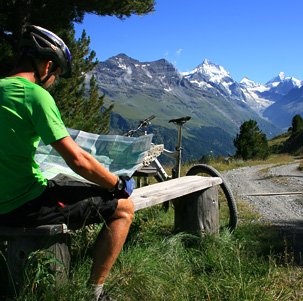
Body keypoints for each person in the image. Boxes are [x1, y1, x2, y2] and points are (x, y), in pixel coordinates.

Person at [0, 25, 135, 300]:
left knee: (61, 184)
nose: (53, 81)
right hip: (23, 205)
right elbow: (78, 160)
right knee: (124, 208)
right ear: (48, 65)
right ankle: (95, 292)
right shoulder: (35, 95)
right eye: (57, 75)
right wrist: (117, 183)